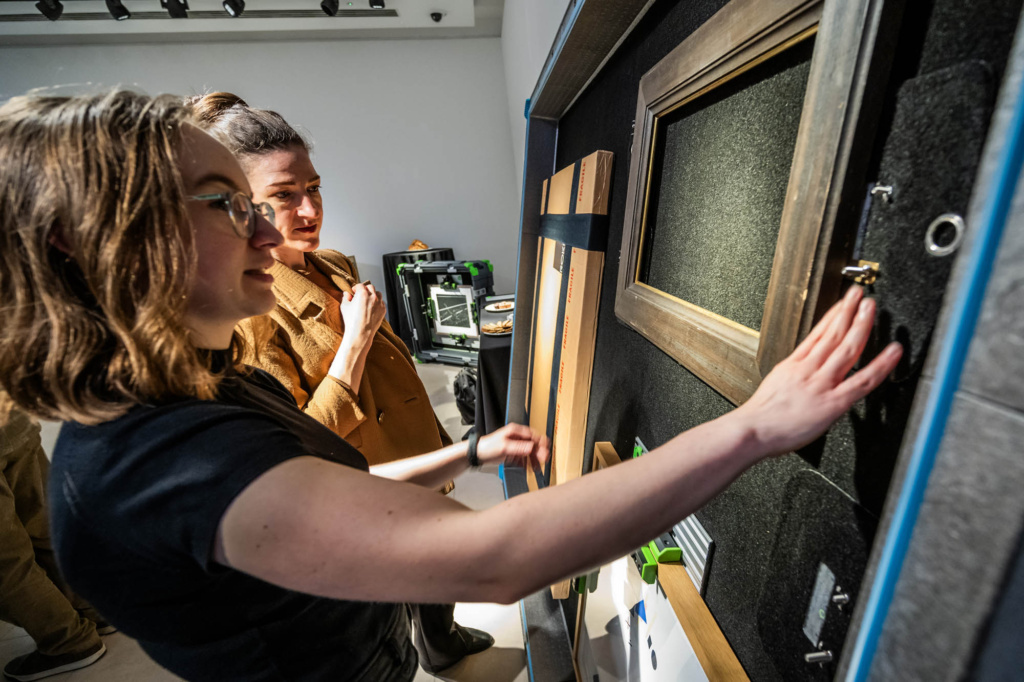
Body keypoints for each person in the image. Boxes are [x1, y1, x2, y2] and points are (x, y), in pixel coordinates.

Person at [0, 89, 902, 682]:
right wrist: (752, 429)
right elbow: (496, 559)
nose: (274, 235)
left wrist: (465, 450)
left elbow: (327, 493)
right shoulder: (156, 459)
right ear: (89, 240)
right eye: (226, 204)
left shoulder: (194, 386)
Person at [186, 92, 489, 673]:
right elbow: (301, 445)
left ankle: (441, 639)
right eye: (281, 196)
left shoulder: (336, 264)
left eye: (313, 187)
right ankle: (418, 648)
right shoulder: (251, 314)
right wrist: (353, 341)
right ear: (239, 207)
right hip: (364, 486)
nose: (307, 210)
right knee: (385, 608)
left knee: (434, 569)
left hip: (414, 454)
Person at [0, 395, 112, 681]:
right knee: (42, 524)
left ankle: (66, 640)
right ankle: (92, 607)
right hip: (10, 412)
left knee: (6, 559)